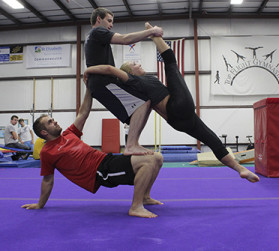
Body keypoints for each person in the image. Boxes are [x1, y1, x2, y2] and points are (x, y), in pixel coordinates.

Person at [83, 22, 260, 183]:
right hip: (178, 106)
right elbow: (109, 69)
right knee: (171, 63)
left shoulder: (146, 81)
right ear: (130, 71)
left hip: (178, 120)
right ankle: (153, 36)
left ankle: (240, 169)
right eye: (135, 63)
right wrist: (88, 70)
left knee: (211, 138)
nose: (138, 64)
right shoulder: (132, 80)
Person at [21, 87, 164, 218]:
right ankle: (136, 207)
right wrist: (40, 204)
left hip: (106, 160)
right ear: (44, 132)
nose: (55, 122)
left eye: (53, 119)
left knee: (157, 157)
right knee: (149, 161)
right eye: (50, 122)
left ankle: (145, 197)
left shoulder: (69, 134)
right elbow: (48, 180)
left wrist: (90, 88)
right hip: (99, 172)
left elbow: (83, 113)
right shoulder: (47, 152)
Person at [84, 7, 164, 156]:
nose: (111, 25)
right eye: (109, 21)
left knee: (143, 103)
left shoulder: (92, 37)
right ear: (98, 20)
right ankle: (131, 145)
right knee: (143, 102)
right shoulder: (97, 32)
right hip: (104, 83)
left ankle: (133, 143)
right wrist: (151, 32)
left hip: (101, 82)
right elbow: (125, 39)